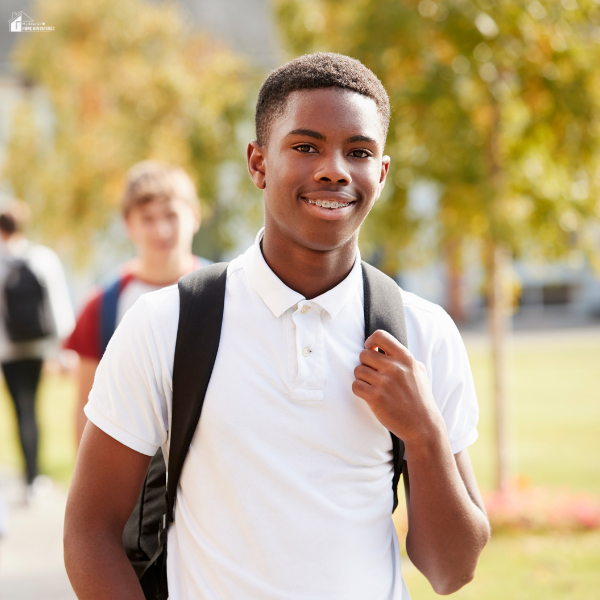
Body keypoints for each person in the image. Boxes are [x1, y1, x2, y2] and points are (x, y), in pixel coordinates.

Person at [64, 53, 490, 599]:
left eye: (358, 152)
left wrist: (425, 433)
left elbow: (451, 570)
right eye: (306, 146)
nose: (334, 168)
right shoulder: (165, 324)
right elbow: (89, 529)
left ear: (380, 174)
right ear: (258, 163)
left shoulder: (423, 332)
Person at [64, 161, 211, 443]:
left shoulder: (229, 293)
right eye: (147, 218)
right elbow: (86, 406)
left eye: (171, 215)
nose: (161, 230)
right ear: (127, 225)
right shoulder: (102, 305)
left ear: (194, 216)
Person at [0, 200, 75, 501]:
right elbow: (59, 306)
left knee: (22, 410)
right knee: (35, 408)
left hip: (8, 350)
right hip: (39, 347)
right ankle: (36, 479)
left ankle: (30, 478)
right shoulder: (43, 258)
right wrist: (63, 349)